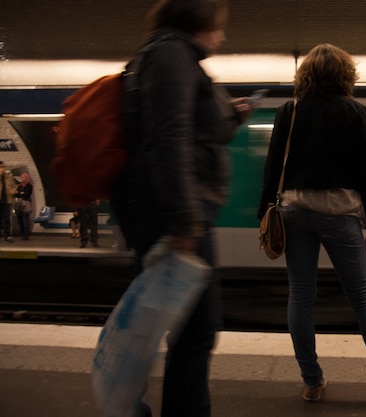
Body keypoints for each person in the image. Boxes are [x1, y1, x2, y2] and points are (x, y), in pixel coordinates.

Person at [110, 1, 253, 416]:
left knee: (156, 328)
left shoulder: (171, 57)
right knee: (196, 331)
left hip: (167, 210)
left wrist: (233, 116)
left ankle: (130, 406)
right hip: (173, 214)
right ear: (199, 22)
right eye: (219, 26)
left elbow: (191, 131)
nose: (222, 36)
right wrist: (185, 220)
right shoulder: (172, 56)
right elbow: (168, 140)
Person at [257, 43, 366, 408]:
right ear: (346, 75)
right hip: (341, 214)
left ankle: (312, 382)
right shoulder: (355, 112)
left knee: (301, 296)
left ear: (304, 75)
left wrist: (263, 213)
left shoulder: (288, 111)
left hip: (294, 211)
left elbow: (273, 166)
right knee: (363, 298)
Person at [0, 161, 17, 243]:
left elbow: (14, 185)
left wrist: (13, 191)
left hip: (7, 200)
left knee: (7, 218)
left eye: (2, 167)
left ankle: (8, 235)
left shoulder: (8, 176)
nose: (2, 168)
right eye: (0, 167)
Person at [14, 172, 33, 240]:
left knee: (25, 220)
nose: (22, 179)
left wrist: (20, 193)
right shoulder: (19, 186)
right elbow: (16, 194)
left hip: (26, 205)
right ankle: (22, 233)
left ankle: (26, 235)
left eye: (23, 177)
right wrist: (20, 193)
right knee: (20, 220)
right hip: (19, 205)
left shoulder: (29, 186)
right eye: (21, 177)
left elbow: (26, 195)